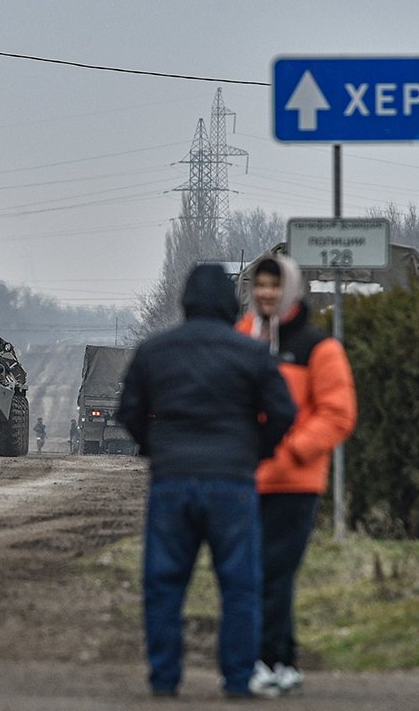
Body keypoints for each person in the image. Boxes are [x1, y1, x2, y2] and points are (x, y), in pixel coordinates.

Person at [116, 263, 296, 700]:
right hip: (232, 482)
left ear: (185, 302)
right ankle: (237, 680)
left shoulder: (155, 351)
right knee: (239, 584)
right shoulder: (251, 353)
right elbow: (283, 412)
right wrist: (256, 451)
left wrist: (154, 447)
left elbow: (129, 413)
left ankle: (164, 678)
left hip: (172, 481)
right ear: (231, 305)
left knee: (164, 582)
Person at [236, 254, 357, 695]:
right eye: (260, 285)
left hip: (295, 482)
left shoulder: (318, 347)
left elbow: (338, 415)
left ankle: (265, 659)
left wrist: (289, 451)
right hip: (246, 480)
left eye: (274, 285)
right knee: (259, 572)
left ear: (289, 289)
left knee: (273, 572)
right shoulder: (242, 338)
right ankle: (284, 660)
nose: (266, 293)